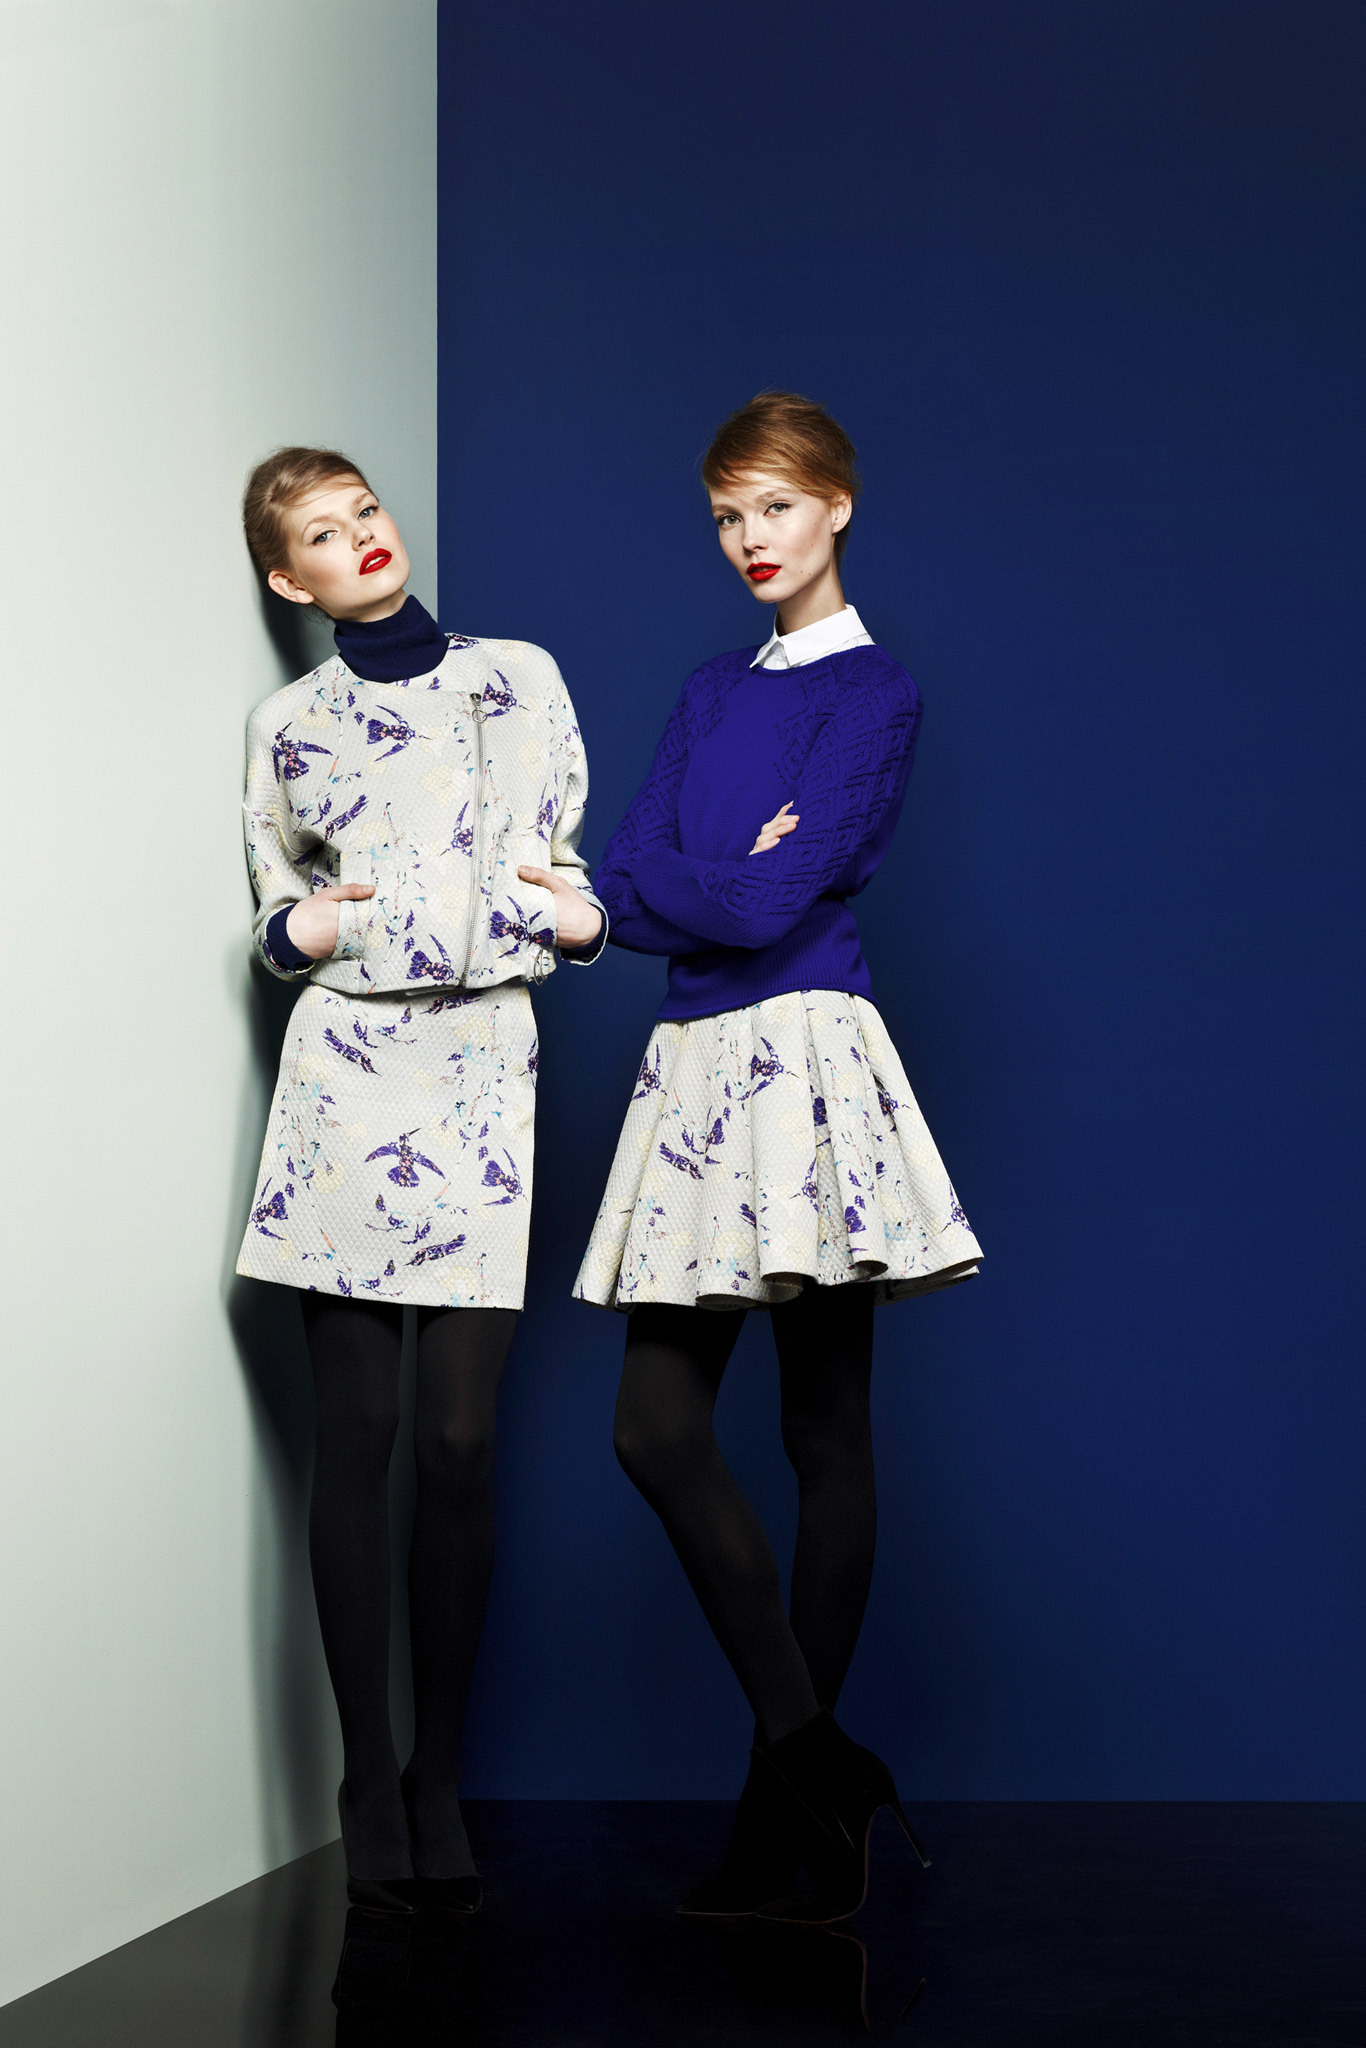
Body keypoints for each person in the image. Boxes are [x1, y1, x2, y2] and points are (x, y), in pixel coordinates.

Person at [576, 392, 982, 1923]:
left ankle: (771, 1822)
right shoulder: (707, 690)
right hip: (695, 1063)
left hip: (809, 1056)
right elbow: (621, 877)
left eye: (775, 508)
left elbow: (753, 905)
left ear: (836, 505)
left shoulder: (874, 695)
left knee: (825, 1435)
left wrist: (697, 881)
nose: (750, 539)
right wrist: (702, 877)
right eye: (727, 518)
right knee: (653, 1429)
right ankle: (822, 1764)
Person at [237, 447, 605, 1914]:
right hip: (342, 1082)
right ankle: (364, 1778)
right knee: (361, 1436)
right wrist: (306, 935)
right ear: (293, 580)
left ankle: (438, 1771)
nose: (363, 539)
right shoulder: (286, 724)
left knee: (458, 1440)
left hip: (484, 1064)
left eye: (366, 512)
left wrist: (581, 924)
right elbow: (270, 912)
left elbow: (566, 868)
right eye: (325, 535)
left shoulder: (520, 675)